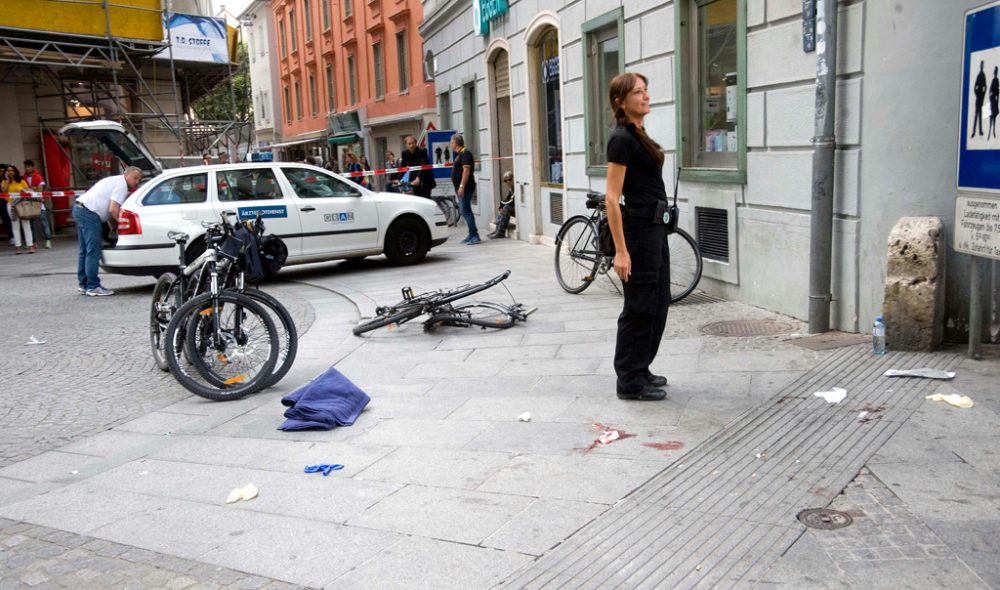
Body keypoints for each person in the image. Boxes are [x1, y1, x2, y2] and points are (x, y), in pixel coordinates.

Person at [604, 72, 670, 402]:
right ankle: (628, 380)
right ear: (621, 101)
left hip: (656, 229)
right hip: (639, 233)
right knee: (639, 306)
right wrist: (621, 251)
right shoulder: (621, 138)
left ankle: (640, 367)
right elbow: (612, 198)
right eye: (638, 92)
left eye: (646, 90)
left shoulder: (638, 133)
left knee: (658, 303)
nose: (645, 96)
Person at [73, 166, 143, 296]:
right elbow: (113, 209)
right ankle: (93, 286)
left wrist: (114, 226)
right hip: (90, 213)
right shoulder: (121, 186)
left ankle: (84, 284)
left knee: (84, 250)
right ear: (126, 174)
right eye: (135, 178)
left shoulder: (113, 180)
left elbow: (109, 210)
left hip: (80, 208)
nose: (137, 181)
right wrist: (124, 224)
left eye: (139, 179)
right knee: (93, 251)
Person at [450, 133, 480, 245]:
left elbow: (466, 171)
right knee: (465, 210)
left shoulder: (465, 153)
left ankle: (475, 235)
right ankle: (471, 234)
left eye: (451, 142)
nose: (450, 144)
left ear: (455, 142)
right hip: (461, 187)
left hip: (466, 187)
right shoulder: (459, 154)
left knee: (465, 211)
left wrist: (462, 186)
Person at [2, 165, 34, 254]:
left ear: (15, 171)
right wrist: (7, 181)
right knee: (15, 226)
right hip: (11, 205)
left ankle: (30, 246)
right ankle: (18, 247)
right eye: (8, 171)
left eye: (12, 170)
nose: (10, 172)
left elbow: (28, 192)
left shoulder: (22, 181)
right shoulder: (5, 181)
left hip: (22, 204)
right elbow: (3, 192)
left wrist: (24, 192)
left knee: (26, 225)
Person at [23, 160, 52, 249]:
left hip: (39, 203)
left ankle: (48, 240)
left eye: (28, 166)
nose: (27, 168)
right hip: (28, 203)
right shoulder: (23, 178)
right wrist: (33, 189)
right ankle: (33, 242)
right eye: (26, 167)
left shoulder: (38, 177)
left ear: (32, 167)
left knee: (44, 223)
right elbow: (22, 189)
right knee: (30, 224)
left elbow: (39, 190)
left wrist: (30, 189)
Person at [400, 135, 436, 199]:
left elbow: (423, 165)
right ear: (406, 145)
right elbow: (403, 167)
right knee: (418, 199)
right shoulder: (404, 153)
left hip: (425, 179)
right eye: (409, 144)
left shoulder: (422, 151)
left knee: (425, 199)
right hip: (414, 181)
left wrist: (418, 178)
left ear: (416, 143)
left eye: (413, 143)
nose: (411, 145)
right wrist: (397, 179)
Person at [488, 171, 515, 239]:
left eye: (510, 179)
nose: (508, 182)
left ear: (513, 178)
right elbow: (507, 199)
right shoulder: (511, 189)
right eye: (506, 180)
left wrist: (502, 205)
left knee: (506, 208)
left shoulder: (515, 188)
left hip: (518, 209)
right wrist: (501, 206)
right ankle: (498, 230)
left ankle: (501, 232)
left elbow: (511, 200)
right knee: (502, 208)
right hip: (514, 208)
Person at [973, 61, 987, 138]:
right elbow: (975, 87)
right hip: (978, 98)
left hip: (981, 98)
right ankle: (974, 131)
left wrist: (983, 95)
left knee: (980, 114)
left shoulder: (983, 75)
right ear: (980, 66)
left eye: (983, 65)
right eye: (981, 65)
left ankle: (980, 131)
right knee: (976, 115)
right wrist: (977, 95)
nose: (982, 66)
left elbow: (985, 86)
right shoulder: (979, 75)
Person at [0, 161, 13, 245]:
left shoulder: (7, 179)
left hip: (4, 201)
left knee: (7, 219)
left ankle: (11, 237)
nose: (1, 172)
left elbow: (4, 190)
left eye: (3, 171)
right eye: (0, 171)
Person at [990, 67, 999, 141]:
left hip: (995, 101)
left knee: (994, 117)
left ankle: (993, 131)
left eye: (996, 72)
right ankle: (990, 131)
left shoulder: (997, 80)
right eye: (995, 72)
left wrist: (997, 100)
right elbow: (990, 90)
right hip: (992, 100)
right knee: (991, 116)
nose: (996, 73)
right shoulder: (993, 80)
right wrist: (991, 97)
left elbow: (998, 92)